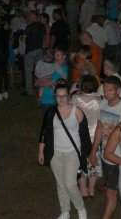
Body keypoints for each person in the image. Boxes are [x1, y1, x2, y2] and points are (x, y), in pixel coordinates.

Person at [38, 82, 90, 219]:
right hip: (55, 153)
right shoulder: (50, 112)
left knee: (70, 184)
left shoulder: (77, 112)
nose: (61, 99)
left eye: (64, 96)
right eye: (58, 96)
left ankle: (80, 208)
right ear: (55, 97)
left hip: (72, 153)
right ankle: (65, 211)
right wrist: (41, 151)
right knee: (60, 184)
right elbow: (44, 132)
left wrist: (85, 154)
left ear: (69, 96)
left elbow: (85, 135)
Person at [99, 75, 121, 219]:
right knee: (113, 189)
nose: (106, 93)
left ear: (118, 90)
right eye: (105, 89)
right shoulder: (103, 104)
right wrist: (94, 150)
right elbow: (99, 128)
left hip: (117, 157)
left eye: (110, 90)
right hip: (105, 155)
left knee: (111, 193)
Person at [72, 75, 103, 197]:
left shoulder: (76, 98)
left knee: (80, 162)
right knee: (93, 161)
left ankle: (83, 189)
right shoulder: (100, 100)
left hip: (79, 135)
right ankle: (91, 189)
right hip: (95, 135)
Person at [23, 11, 46, 96]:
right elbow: (44, 37)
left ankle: (29, 90)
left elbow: (24, 38)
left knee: (28, 71)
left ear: (33, 17)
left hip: (30, 50)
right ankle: (40, 87)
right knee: (39, 71)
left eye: (30, 16)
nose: (28, 17)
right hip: (39, 49)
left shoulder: (29, 27)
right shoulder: (42, 26)